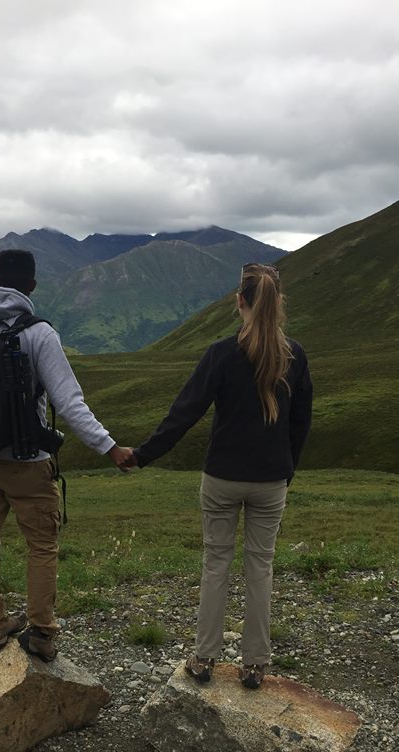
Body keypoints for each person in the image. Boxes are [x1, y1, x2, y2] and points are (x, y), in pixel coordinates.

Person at [122, 262, 312, 689]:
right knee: (260, 567)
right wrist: (286, 470)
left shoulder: (221, 354)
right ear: (278, 303)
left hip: (222, 477)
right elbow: (301, 424)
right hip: (271, 480)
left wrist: (143, 455)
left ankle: (205, 658)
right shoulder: (295, 356)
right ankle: (254, 665)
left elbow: (184, 413)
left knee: (216, 564)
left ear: (239, 302)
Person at [0, 249, 132, 662]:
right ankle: (41, 632)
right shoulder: (39, 334)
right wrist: (109, 447)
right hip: (27, 461)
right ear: (31, 285)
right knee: (41, 545)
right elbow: (69, 403)